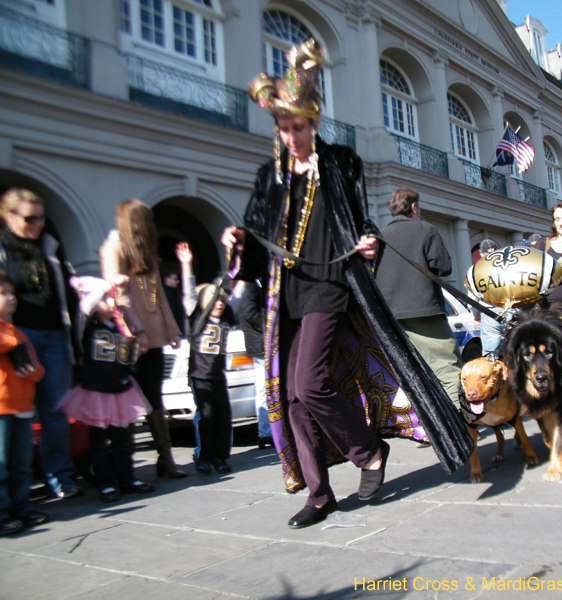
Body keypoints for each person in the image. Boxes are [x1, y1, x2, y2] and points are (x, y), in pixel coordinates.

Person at [221, 39, 470, 529]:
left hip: (330, 286)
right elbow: (257, 241)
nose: (292, 136)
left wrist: (369, 241)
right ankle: (319, 495)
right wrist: (239, 242)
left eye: (300, 127)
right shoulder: (269, 177)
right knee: (292, 398)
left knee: (311, 385)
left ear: (314, 122)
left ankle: (368, 451)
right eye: (285, 128)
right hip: (285, 297)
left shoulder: (340, 163)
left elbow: (359, 222)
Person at [0, 188, 81, 499]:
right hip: (17, 337)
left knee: (56, 410)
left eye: (40, 218)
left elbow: (66, 293)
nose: (37, 224)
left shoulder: (49, 245)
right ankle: (13, 490)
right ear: (7, 216)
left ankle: (59, 476)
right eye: (29, 218)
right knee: (13, 413)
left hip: (55, 334)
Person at [100, 200, 187, 478]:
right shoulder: (115, 248)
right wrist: (137, 333)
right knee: (127, 398)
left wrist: (172, 330)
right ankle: (125, 466)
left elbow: (159, 296)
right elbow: (118, 296)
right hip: (130, 338)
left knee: (154, 397)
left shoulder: (147, 252)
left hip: (155, 336)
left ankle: (166, 458)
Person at [59, 276, 155, 502]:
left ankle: (127, 479)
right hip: (96, 393)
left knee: (122, 440)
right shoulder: (88, 329)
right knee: (99, 442)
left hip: (120, 391)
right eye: (105, 299)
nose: (112, 303)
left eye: (112, 299)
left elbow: (126, 361)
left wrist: (133, 354)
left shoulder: (119, 329)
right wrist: (96, 292)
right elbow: (82, 316)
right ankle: (106, 484)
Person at [375, 188, 462, 408]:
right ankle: (461, 423)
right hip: (425, 312)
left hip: (391, 316)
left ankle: (424, 424)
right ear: (414, 207)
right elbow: (443, 267)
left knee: (410, 375)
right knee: (446, 368)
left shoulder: (380, 236)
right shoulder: (426, 229)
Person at [176, 242, 235, 474]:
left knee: (224, 416)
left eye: (221, 300)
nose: (219, 304)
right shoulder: (196, 317)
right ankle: (203, 456)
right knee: (206, 414)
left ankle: (220, 457)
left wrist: (235, 259)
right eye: (214, 300)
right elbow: (189, 293)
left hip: (218, 376)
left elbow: (236, 291)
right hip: (199, 376)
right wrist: (186, 264)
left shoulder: (227, 317)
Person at [0, 269, 50, 535]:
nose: (11, 298)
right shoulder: (11, 335)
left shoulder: (17, 332)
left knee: (21, 464)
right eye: (3, 293)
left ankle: (21, 507)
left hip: (22, 407)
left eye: (12, 293)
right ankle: (2, 512)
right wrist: (12, 341)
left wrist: (32, 371)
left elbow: (38, 370)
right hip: (1, 408)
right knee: (1, 465)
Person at [237, 279, 273, 449]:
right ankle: (266, 433)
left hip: (262, 342)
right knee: (265, 388)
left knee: (268, 387)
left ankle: (268, 431)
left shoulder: (257, 283)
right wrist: (271, 329)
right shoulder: (251, 284)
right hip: (261, 344)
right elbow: (249, 313)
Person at [471, 238, 506, 355]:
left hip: (490, 314)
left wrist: (476, 314)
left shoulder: (476, 270)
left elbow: (473, 298)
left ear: (481, 254)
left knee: (491, 355)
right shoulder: (508, 267)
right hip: (510, 311)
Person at [161, 267, 186, 336]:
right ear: (167, 279)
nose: (178, 281)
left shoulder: (175, 292)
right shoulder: (166, 294)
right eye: (175, 279)